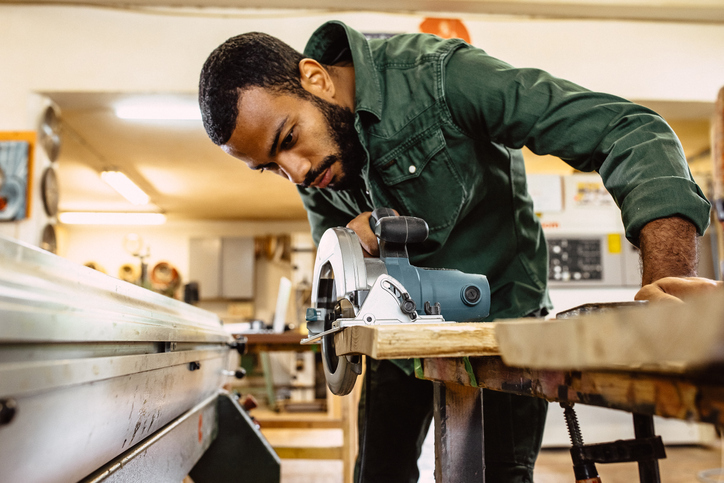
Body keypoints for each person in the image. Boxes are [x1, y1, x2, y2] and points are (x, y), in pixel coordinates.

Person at [198, 21, 712, 482]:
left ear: (315, 78)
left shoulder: (442, 78)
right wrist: (355, 246)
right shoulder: (314, 163)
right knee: (378, 474)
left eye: (289, 138)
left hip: (503, 328)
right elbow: (337, 261)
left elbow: (630, 132)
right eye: (271, 166)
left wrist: (665, 288)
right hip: (398, 340)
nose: (297, 172)